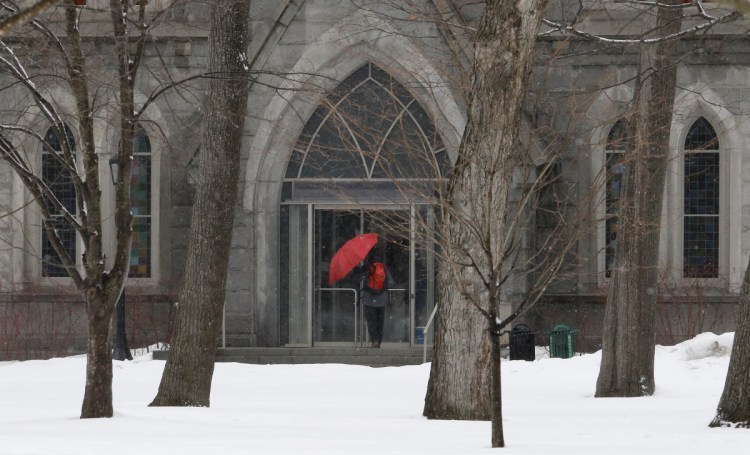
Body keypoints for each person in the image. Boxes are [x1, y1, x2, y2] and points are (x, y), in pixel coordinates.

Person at [357, 250, 395, 348]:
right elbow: (391, 283)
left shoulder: (367, 269)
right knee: (379, 321)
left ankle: (374, 340)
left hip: (369, 300)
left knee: (371, 321)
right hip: (381, 300)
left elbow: (358, 279)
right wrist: (383, 288)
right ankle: (379, 340)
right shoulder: (384, 269)